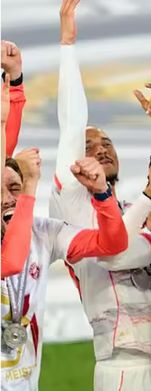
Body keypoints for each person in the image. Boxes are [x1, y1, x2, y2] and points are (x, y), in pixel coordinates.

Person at [49, 0, 151, 390]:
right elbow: (116, 251)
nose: (101, 149)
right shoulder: (70, 205)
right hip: (122, 365)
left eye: (107, 143)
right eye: (90, 146)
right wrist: (68, 46)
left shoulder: (140, 209)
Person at [2, 148, 128, 390]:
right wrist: (29, 185)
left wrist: (102, 193)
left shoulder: (44, 233)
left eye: (15, 188)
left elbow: (113, 244)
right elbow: (12, 261)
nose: (8, 198)